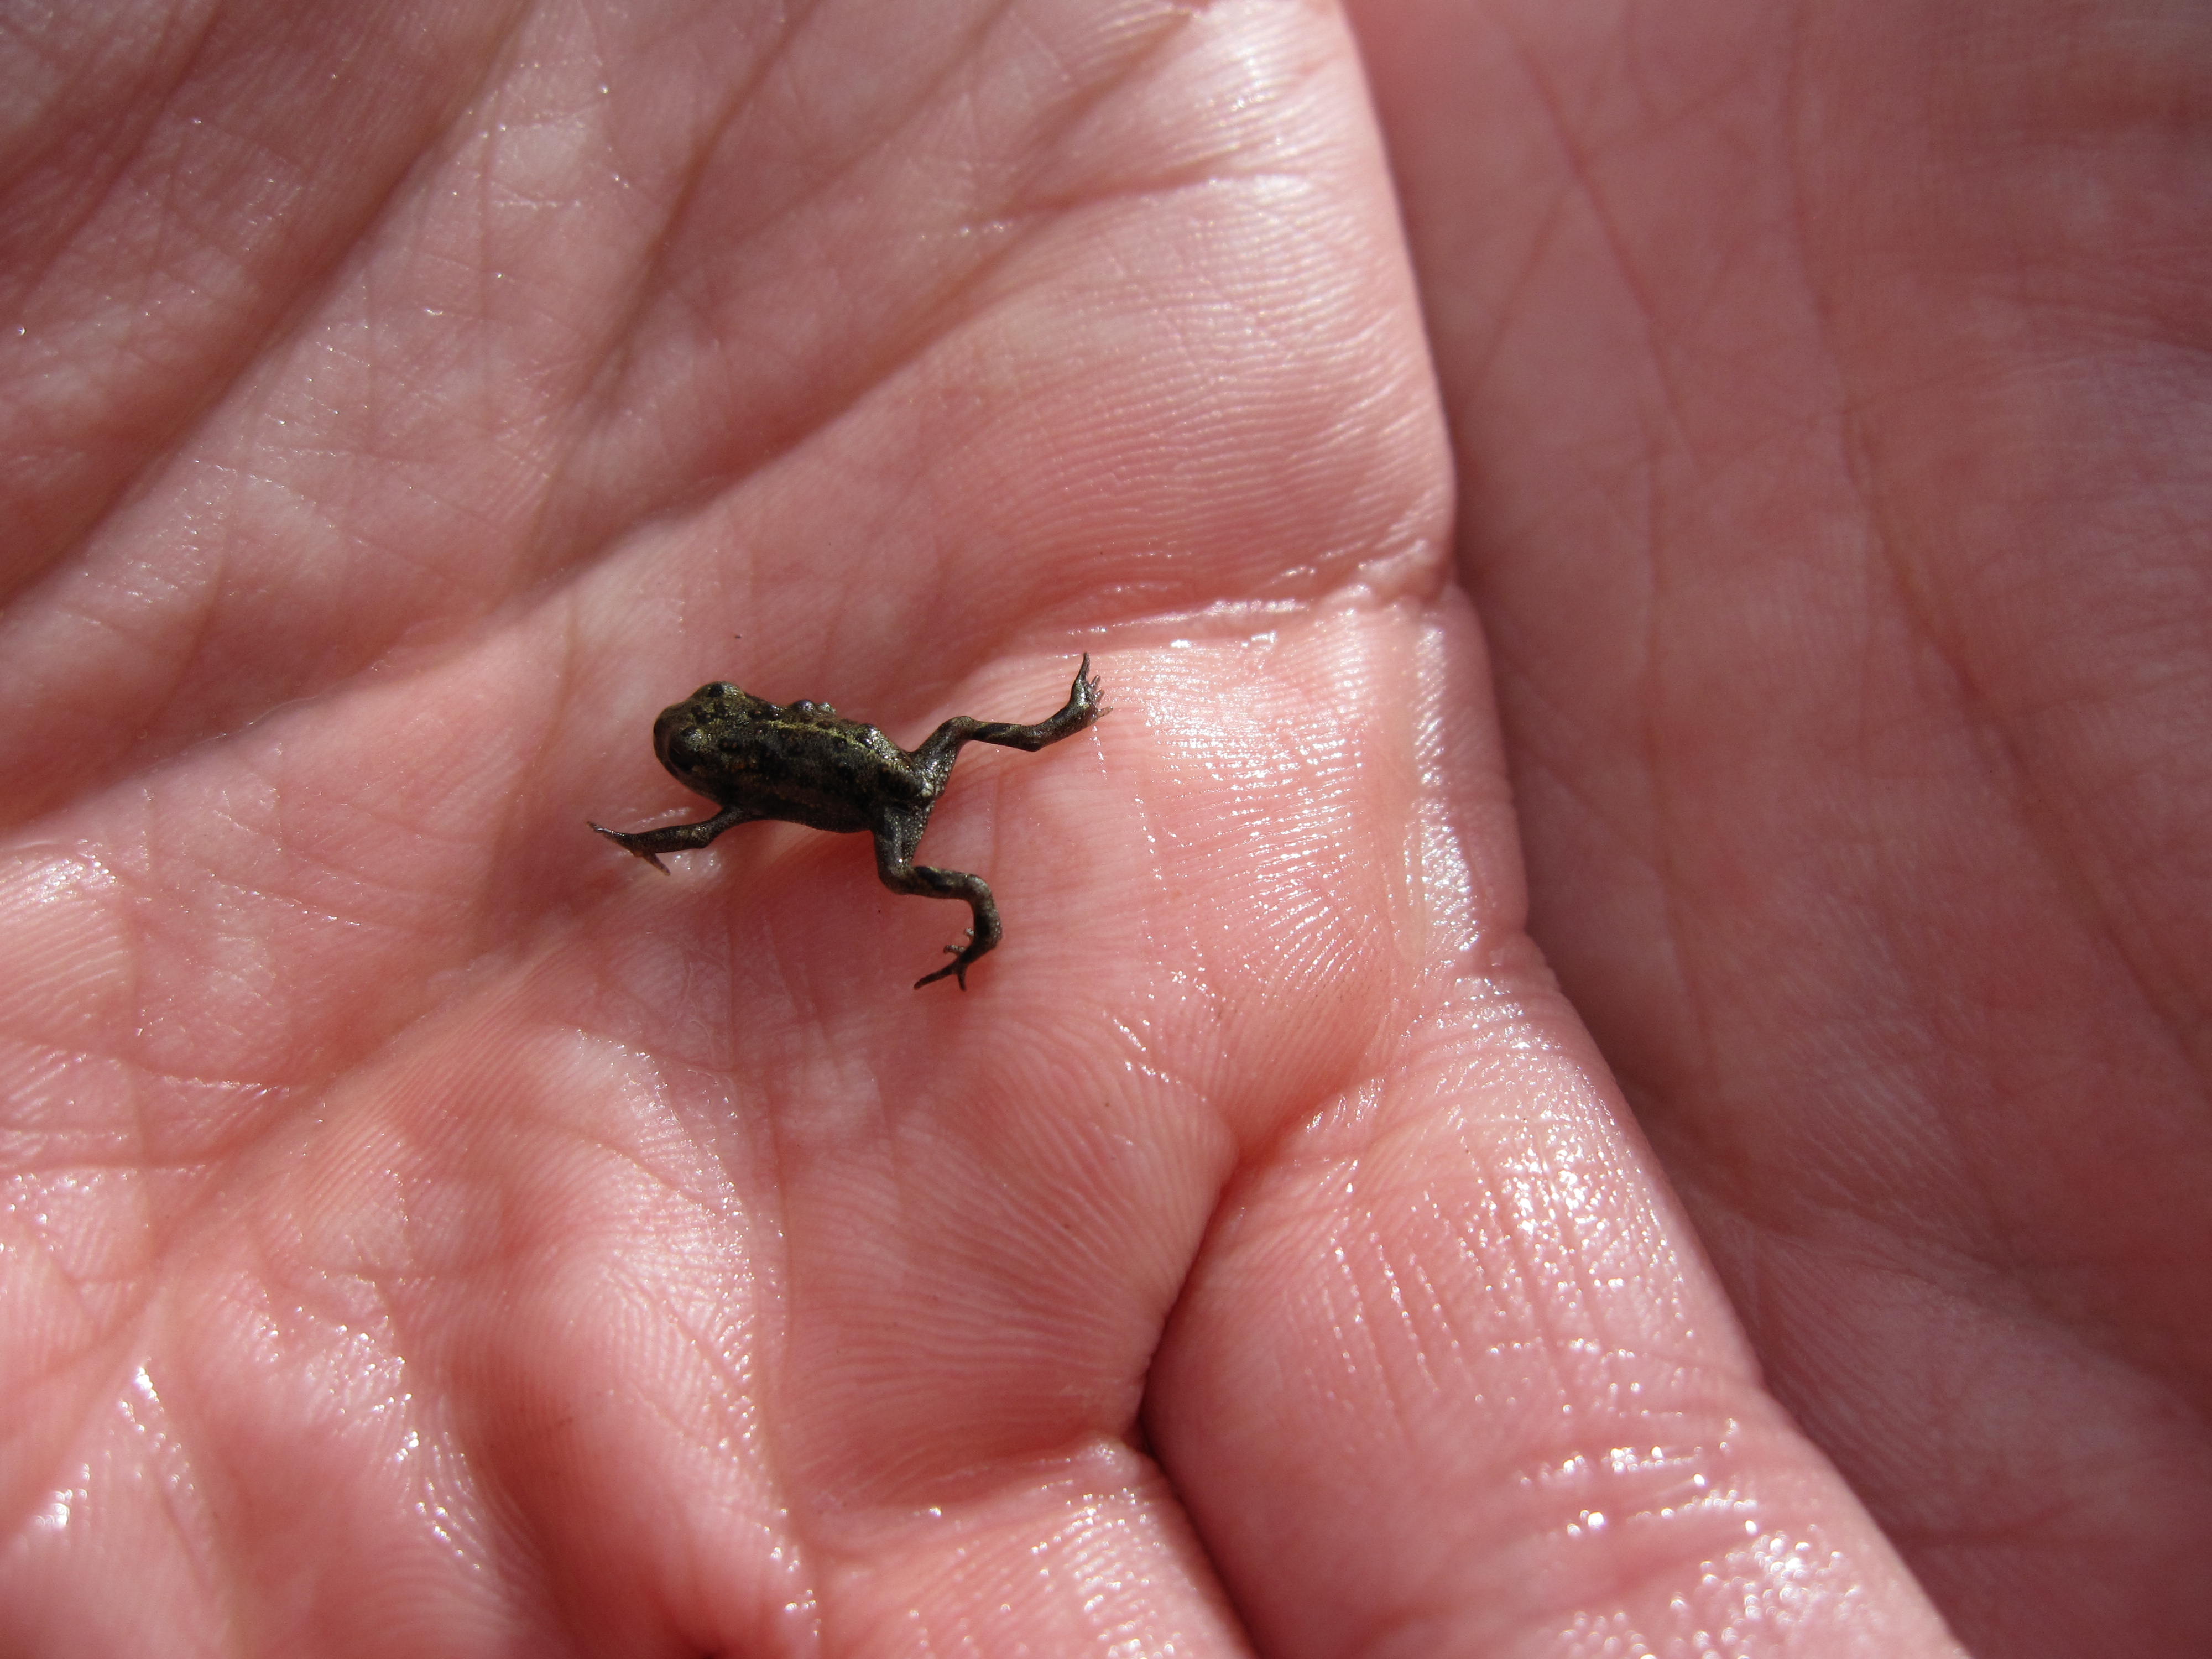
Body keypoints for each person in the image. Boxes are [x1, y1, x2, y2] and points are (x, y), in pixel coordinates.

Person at [2, 1, 2202, 1652]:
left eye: (698, 766)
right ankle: (1013, 811)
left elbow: (727, 776)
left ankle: (978, 887)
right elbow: (731, 751)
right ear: (726, 753)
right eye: (700, 769)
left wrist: (730, 854)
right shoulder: (755, 756)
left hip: (869, 796)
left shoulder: (755, 775)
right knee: (972, 783)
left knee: (947, 826)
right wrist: (717, 830)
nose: (699, 763)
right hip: (881, 777)